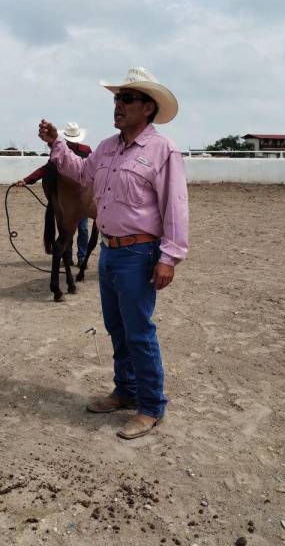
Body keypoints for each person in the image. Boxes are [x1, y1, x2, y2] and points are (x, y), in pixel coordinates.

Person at [38, 67, 189, 440]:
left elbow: (175, 205)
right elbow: (80, 174)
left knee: (139, 332)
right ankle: (125, 390)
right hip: (109, 252)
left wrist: (169, 257)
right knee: (116, 328)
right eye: (116, 98)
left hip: (140, 253)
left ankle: (151, 406)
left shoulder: (162, 150)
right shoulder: (106, 147)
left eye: (127, 98)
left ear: (148, 107)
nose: (118, 105)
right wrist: (57, 144)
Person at [18, 123, 93, 264]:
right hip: (67, 199)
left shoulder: (86, 150)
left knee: (82, 228)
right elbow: (47, 168)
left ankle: (82, 257)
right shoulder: (60, 150)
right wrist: (27, 180)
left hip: (83, 197)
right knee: (68, 230)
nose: (71, 143)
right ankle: (68, 258)